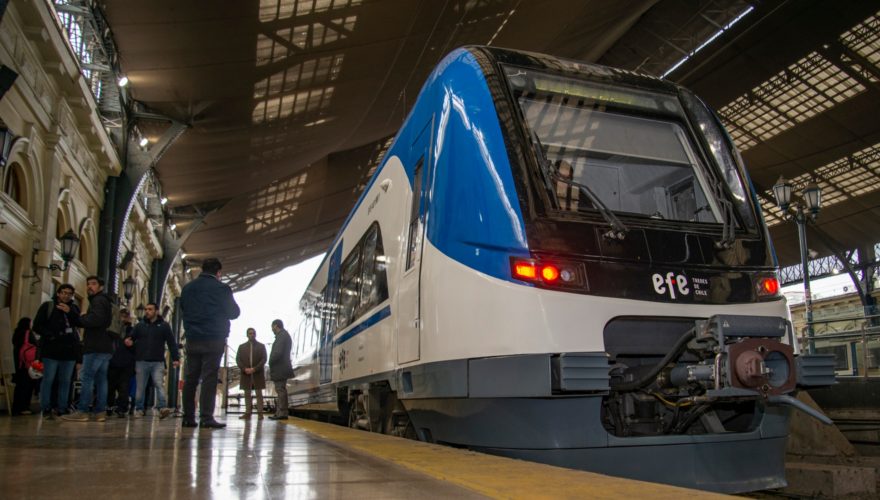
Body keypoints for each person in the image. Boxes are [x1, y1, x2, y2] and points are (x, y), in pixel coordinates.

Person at [179, 258, 240, 429]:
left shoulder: (188, 288)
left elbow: (183, 308)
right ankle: (206, 417)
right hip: (214, 339)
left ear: (201, 269)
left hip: (192, 339)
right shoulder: (222, 289)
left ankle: (188, 417)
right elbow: (234, 312)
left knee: (191, 378)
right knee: (209, 377)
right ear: (218, 273)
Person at [63, 276, 113, 422]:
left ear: (101, 287)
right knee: (101, 379)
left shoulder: (98, 301)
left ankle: (82, 410)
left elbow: (95, 320)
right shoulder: (104, 301)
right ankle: (100, 412)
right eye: (88, 284)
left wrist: (79, 318)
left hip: (95, 346)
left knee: (87, 377)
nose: (89, 287)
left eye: (93, 284)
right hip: (105, 346)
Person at [32, 284, 81, 419]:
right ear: (58, 293)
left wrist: (69, 312)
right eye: (63, 293)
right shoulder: (48, 307)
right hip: (51, 351)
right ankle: (46, 407)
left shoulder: (74, 308)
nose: (66, 296)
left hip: (69, 352)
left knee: (65, 381)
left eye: (69, 293)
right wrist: (50, 335)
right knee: (48, 379)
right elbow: (37, 325)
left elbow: (79, 324)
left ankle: (62, 407)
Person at [126, 302, 179, 419]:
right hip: (141, 361)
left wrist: (175, 358)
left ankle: (162, 407)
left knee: (159, 384)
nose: (147, 312)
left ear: (156, 311)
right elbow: (131, 337)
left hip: (157, 361)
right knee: (140, 386)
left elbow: (171, 342)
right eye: (146, 310)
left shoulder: (164, 326)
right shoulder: (140, 326)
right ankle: (139, 409)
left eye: (150, 309)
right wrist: (129, 341)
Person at [107, 309, 135, 418]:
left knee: (124, 387)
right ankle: (109, 405)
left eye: (126, 316)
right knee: (111, 386)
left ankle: (122, 408)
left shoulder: (132, 331)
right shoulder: (112, 329)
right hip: (112, 361)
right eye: (122, 316)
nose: (123, 318)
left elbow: (135, 346)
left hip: (126, 363)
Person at [235, 328, 266, 419]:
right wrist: (244, 369)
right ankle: (248, 413)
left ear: (255, 334)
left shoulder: (261, 346)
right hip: (246, 374)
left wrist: (255, 369)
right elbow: (238, 359)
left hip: (257, 373)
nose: (251, 335)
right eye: (250, 333)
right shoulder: (241, 347)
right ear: (247, 335)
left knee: (258, 393)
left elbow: (264, 359)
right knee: (247, 393)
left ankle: (260, 413)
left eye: (253, 333)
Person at [267, 319, 293, 421]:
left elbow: (277, 352)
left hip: (280, 367)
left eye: (272, 327)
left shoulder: (282, 336)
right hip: (282, 367)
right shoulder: (283, 335)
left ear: (276, 326)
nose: (272, 330)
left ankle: (281, 413)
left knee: (280, 390)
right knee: (281, 390)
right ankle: (280, 412)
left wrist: (270, 361)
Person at [11, 317, 36, 415]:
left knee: (19, 386)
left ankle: (16, 407)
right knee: (27, 386)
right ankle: (24, 407)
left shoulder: (16, 333)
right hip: (27, 363)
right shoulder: (28, 333)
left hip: (18, 363)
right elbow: (35, 345)